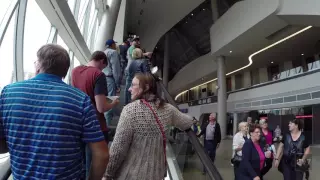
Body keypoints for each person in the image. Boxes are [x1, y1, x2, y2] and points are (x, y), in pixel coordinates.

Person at [0, 44, 109, 179]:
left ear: (39, 65)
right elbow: (102, 154)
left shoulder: (8, 93)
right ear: (64, 71)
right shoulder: (80, 100)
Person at [103, 73, 193, 180]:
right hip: (157, 175)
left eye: (133, 85)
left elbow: (118, 150)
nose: (129, 89)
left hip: (131, 175)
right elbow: (186, 122)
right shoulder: (168, 109)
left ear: (146, 87)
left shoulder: (130, 111)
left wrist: (107, 174)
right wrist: (194, 120)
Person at [71, 51, 119, 177]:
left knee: (81, 163)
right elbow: (101, 107)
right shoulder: (98, 74)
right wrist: (114, 103)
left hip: (78, 123)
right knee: (93, 165)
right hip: (95, 124)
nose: (103, 69)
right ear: (102, 61)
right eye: (104, 66)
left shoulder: (75, 71)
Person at [103, 39, 121, 126]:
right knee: (109, 101)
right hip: (110, 79)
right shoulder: (113, 53)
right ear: (112, 44)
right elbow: (116, 69)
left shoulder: (103, 52)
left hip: (102, 78)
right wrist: (117, 84)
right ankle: (107, 128)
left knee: (102, 100)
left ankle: (103, 125)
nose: (115, 46)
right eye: (115, 44)